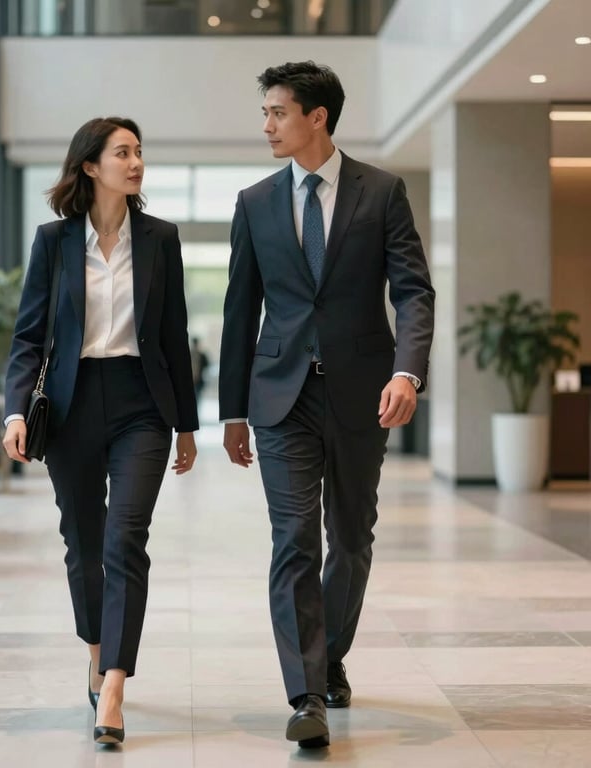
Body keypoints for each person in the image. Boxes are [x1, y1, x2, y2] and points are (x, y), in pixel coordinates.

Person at [219, 62, 434, 749]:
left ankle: (331, 651)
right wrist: (230, 410)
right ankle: (306, 691)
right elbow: (238, 311)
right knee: (293, 542)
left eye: (277, 112)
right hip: (281, 397)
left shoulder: (382, 192)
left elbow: (413, 292)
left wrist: (408, 372)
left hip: (363, 394)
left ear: (317, 116)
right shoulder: (254, 202)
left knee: (351, 538)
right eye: (266, 112)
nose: (267, 125)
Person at [2, 116, 199, 746]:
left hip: (143, 404)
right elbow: (29, 336)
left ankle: (113, 680)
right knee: (84, 544)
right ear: (91, 166)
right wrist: (13, 412)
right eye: (123, 152)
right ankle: (96, 648)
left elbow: (174, 337)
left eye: (140, 151)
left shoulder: (160, 239)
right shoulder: (53, 242)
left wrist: (188, 425)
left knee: (126, 537)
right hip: (72, 405)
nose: (136, 161)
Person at [190, 336, 210, 405]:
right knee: (196, 398)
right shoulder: (201, 355)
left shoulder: (191, 354)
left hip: (196, 381)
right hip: (196, 381)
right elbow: (206, 365)